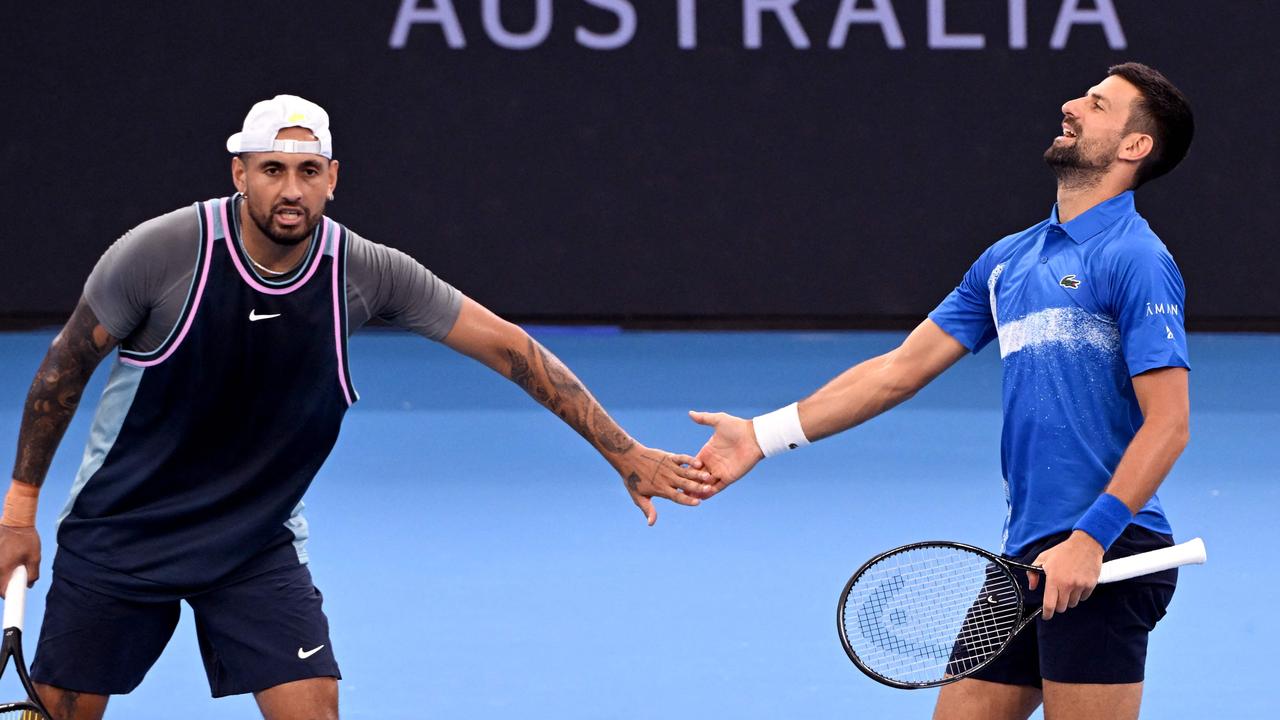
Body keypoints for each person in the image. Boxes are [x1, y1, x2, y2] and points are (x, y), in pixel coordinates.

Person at [0, 94, 714, 720]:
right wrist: (17, 514)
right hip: (124, 532)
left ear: (332, 180)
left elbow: (510, 348)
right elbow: (60, 374)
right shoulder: (158, 255)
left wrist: (624, 452)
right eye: (272, 169)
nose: (291, 189)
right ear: (239, 173)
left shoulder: (367, 272)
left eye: (308, 172)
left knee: (315, 708)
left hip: (252, 541)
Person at [689, 62, 1194, 720]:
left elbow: (1170, 425)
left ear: (1135, 147)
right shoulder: (1008, 259)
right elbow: (898, 369)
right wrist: (762, 435)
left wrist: (1091, 539)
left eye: (1097, 105)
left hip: (1106, 552)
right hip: (1028, 555)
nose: (1070, 105)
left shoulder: (1137, 260)